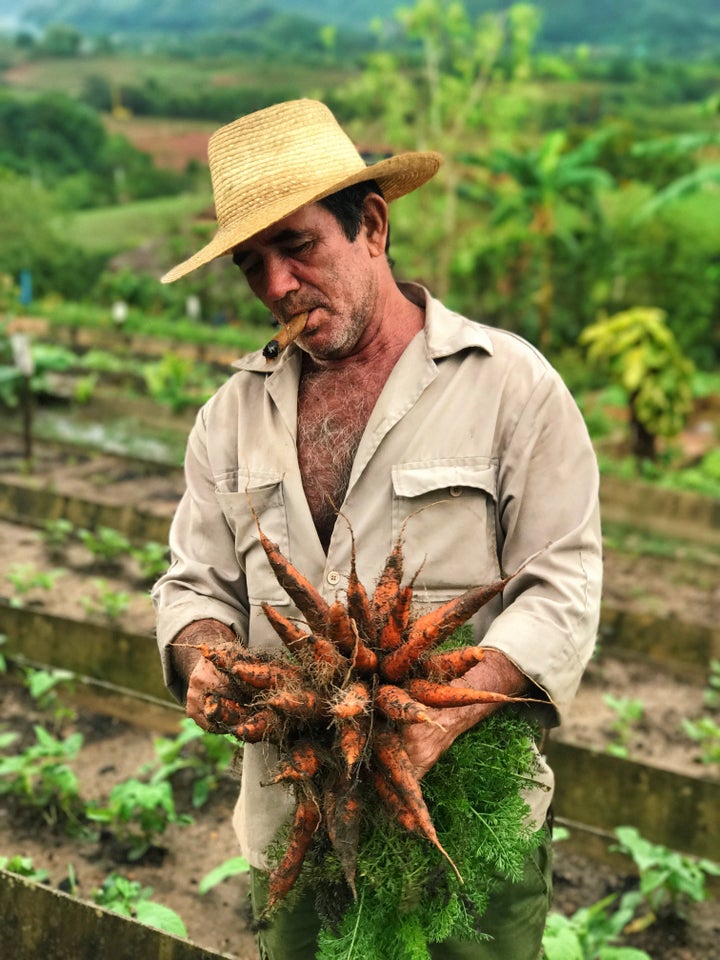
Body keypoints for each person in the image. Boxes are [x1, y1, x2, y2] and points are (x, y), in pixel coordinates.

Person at [152, 98, 603, 960]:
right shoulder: (230, 415)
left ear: (374, 227)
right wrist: (203, 653)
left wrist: (453, 710)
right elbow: (193, 582)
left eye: (298, 246)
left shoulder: (510, 386)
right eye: (252, 264)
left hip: (467, 849)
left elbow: (565, 582)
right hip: (293, 835)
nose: (276, 285)